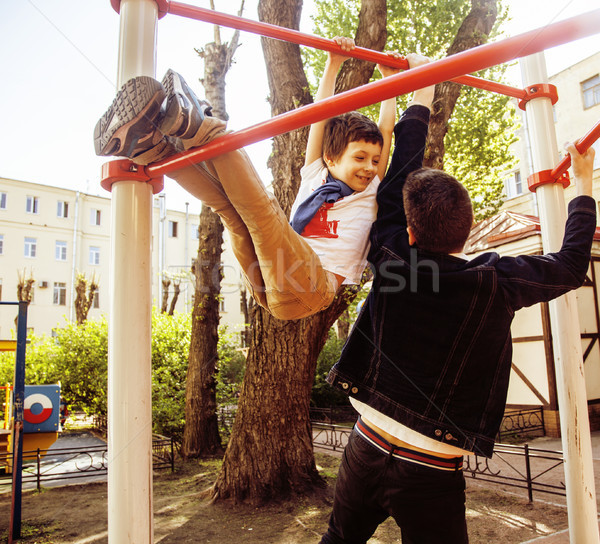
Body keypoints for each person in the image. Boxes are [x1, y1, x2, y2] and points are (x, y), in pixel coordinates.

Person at [319, 82, 597, 542]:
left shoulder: (392, 256)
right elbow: (568, 266)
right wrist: (582, 186)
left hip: (366, 443)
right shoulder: (494, 281)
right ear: (466, 234)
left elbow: (396, 181)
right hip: (427, 469)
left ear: (409, 231)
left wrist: (421, 93)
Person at [95, 38, 421, 320]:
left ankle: (196, 125)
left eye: (375, 161)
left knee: (263, 214)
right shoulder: (315, 173)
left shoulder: (370, 193)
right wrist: (333, 63)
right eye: (360, 158)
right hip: (272, 286)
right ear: (331, 158)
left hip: (313, 287)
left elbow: (386, 130)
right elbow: (321, 113)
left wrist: (390, 84)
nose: (369, 167)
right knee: (232, 211)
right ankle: (155, 151)